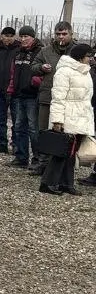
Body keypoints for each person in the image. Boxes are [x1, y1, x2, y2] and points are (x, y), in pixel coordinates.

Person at [39, 43, 95, 196]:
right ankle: (48, 183)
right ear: (80, 57)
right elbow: (58, 98)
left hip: (80, 117)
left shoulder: (85, 71)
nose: (91, 59)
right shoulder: (64, 72)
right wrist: (57, 120)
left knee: (71, 153)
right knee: (61, 152)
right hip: (67, 117)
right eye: (88, 56)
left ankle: (66, 183)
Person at [31, 20, 75, 173]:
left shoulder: (76, 51)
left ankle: (60, 167)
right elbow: (33, 66)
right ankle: (43, 163)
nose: (61, 37)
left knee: (65, 133)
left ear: (71, 34)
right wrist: (41, 67)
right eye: (58, 34)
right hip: (47, 97)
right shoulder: (46, 51)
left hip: (68, 99)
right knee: (44, 131)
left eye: (64, 34)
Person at [7, 25, 44, 171]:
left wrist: (35, 82)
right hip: (18, 95)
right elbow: (13, 73)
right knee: (19, 127)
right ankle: (21, 157)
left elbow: (43, 71)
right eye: (21, 36)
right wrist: (11, 89)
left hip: (32, 96)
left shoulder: (40, 52)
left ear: (33, 37)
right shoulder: (18, 53)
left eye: (26, 36)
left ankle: (37, 159)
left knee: (33, 129)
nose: (23, 39)